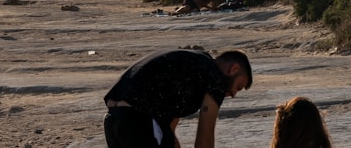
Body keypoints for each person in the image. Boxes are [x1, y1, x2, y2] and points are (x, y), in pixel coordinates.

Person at [103, 49, 252, 148]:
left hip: (113, 119)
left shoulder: (191, 69)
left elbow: (169, 130)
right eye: (238, 86)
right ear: (234, 69)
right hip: (139, 120)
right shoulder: (216, 78)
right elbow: (205, 134)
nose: (233, 94)